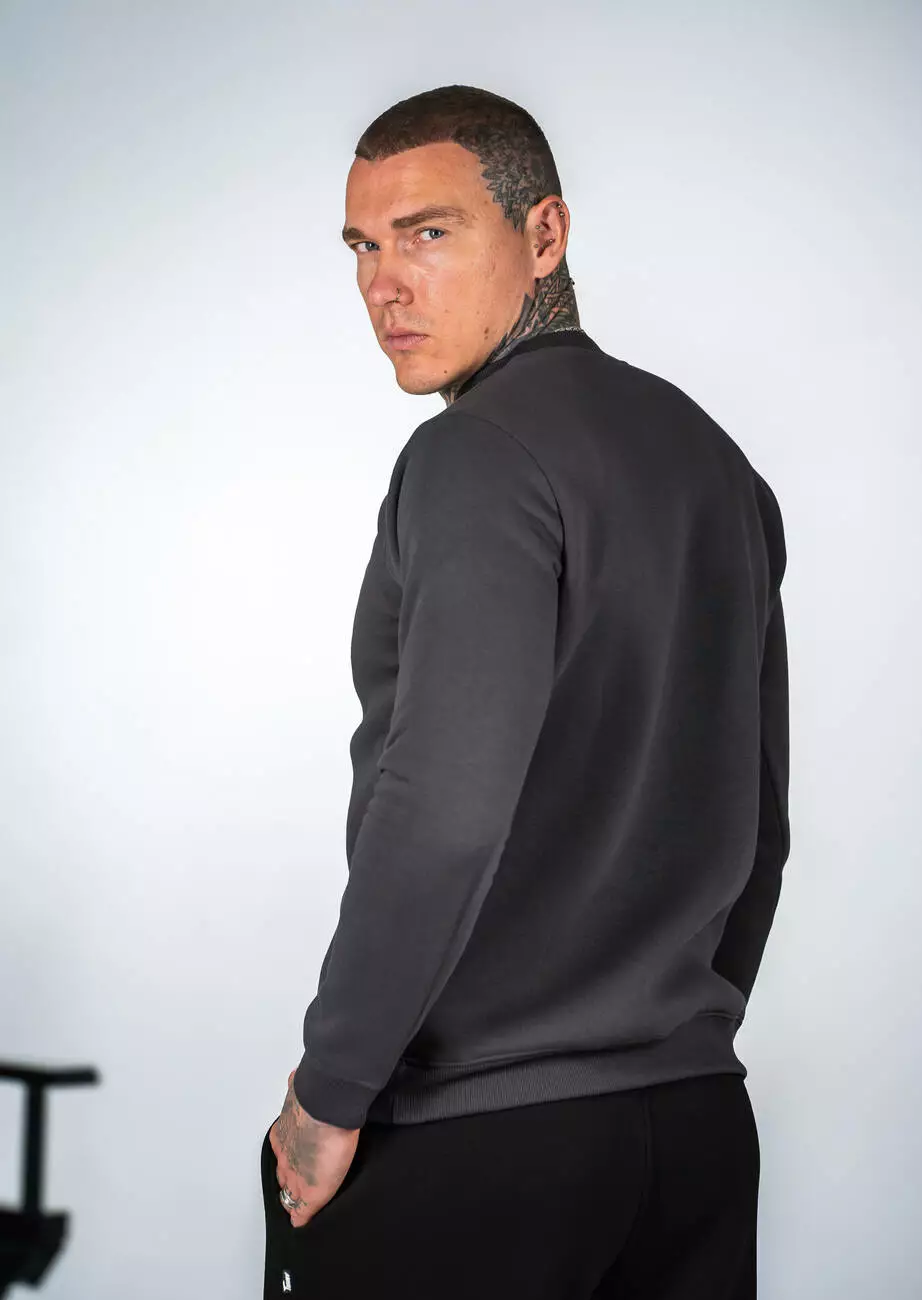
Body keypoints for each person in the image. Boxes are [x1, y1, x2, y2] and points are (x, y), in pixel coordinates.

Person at [261, 83, 790, 1299]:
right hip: (695, 1134)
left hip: (478, 1144)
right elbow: (759, 821)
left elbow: (442, 809)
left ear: (543, 234)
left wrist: (331, 1090)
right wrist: (672, 1032)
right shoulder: (717, 464)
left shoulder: (473, 454)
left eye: (428, 233)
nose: (384, 285)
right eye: (362, 246)